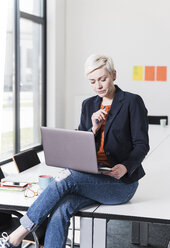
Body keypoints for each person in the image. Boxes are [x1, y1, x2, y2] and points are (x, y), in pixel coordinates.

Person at [0, 54, 149, 248]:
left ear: (114, 75)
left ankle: (18, 234)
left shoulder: (132, 102)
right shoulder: (88, 105)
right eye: (93, 81)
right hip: (92, 177)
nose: (98, 86)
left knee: (66, 178)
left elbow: (142, 145)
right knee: (62, 209)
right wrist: (93, 129)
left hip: (120, 183)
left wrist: (125, 167)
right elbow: (80, 144)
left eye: (103, 79)